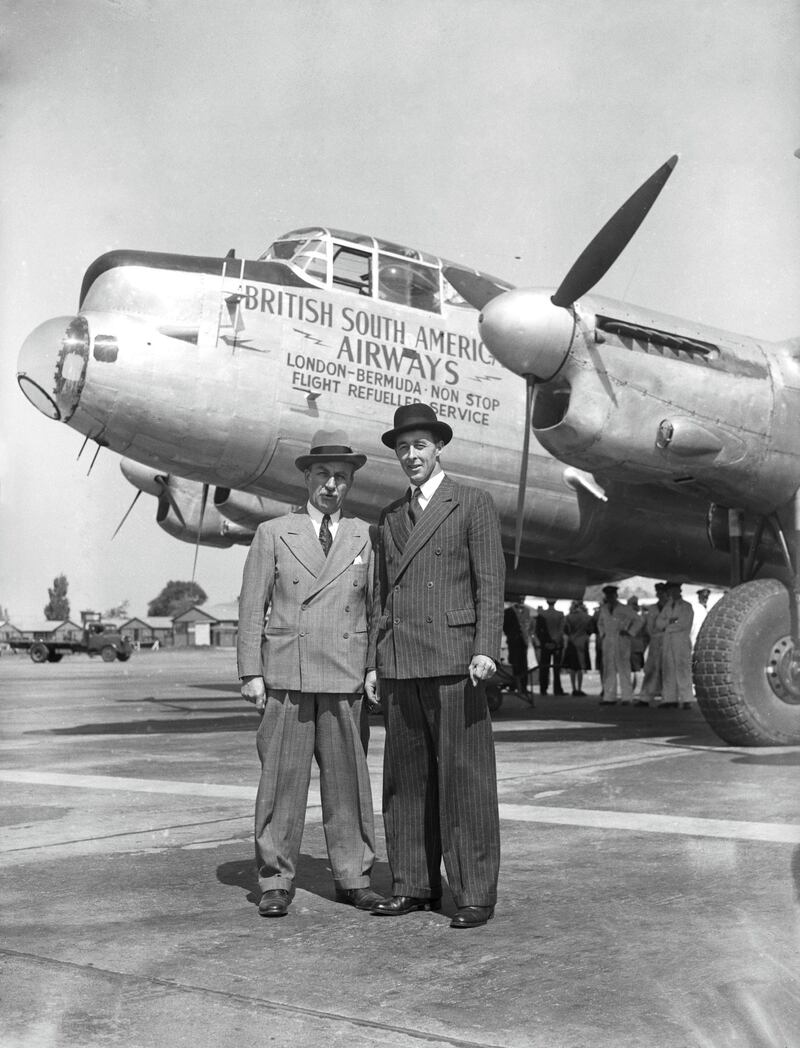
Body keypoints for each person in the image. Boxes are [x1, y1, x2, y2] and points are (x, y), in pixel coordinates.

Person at [365, 403, 505, 929]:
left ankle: (473, 892)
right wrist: (376, 662)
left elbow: (490, 583)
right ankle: (413, 885)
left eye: (419, 446)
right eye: (402, 448)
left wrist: (486, 646)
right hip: (401, 662)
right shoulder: (390, 516)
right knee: (406, 781)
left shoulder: (471, 503)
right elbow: (382, 595)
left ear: (438, 447)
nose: (410, 456)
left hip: (455, 661)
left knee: (465, 781)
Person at [237, 433, 380, 918]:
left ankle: (354, 876)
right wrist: (250, 672)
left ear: (350, 482)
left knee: (349, 786)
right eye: (323, 475)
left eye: (341, 477)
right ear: (307, 478)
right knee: (281, 784)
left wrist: (374, 665)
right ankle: (275, 879)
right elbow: (251, 607)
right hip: (288, 677)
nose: (332, 485)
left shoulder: (364, 535)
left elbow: (375, 609)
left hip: (344, 676)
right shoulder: (274, 533)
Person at [596, 585, 642, 705]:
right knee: (608, 669)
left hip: (621, 639)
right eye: (608, 596)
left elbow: (639, 620)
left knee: (624, 669)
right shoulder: (604, 609)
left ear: (616, 595)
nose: (610, 597)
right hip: (609, 640)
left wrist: (630, 631)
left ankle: (627, 697)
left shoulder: (624, 608)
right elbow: (600, 623)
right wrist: (603, 634)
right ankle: (609, 697)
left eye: (612, 595)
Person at [657, 581, 694, 709]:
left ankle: (686, 699)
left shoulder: (686, 606)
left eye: (674, 590)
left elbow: (683, 623)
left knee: (682, 669)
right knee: (668, 669)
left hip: (681, 641)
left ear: (679, 591)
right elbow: (658, 623)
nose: (672, 593)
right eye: (670, 590)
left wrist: (667, 626)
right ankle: (669, 699)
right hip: (668, 640)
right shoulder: (668, 606)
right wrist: (670, 621)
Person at [639, 582, 667, 707]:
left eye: (662, 593)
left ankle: (668, 698)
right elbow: (649, 626)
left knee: (667, 670)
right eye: (658, 593)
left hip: (667, 640)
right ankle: (645, 696)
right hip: (655, 640)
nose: (660, 595)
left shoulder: (670, 607)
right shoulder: (653, 608)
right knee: (650, 669)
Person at [503, 595, 533, 697]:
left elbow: (528, 625)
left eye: (523, 598)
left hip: (523, 641)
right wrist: (511, 635)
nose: (522, 600)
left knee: (524, 664)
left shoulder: (527, 611)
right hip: (513, 641)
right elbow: (505, 626)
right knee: (514, 662)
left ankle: (523, 687)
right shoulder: (508, 611)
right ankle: (515, 685)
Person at [563, 600, 593, 696]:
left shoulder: (568, 617)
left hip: (572, 642)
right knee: (581, 666)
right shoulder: (587, 617)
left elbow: (566, 630)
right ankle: (579, 688)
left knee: (572, 667)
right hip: (583, 642)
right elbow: (590, 630)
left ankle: (573, 688)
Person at [535, 599, 565, 695]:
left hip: (545, 644)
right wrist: (555, 641)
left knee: (544, 667)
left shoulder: (542, 614)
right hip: (557, 644)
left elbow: (538, 631)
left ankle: (543, 688)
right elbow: (561, 630)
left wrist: (546, 642)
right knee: (556, 668)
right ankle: (557, 689)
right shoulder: (560, 614)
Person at [627, 596, 647, 695]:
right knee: (637, 669)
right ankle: (634, 689)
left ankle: (633, 689)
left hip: (631, 646)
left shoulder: (632, 618)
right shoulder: (641, 618)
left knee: (633, 670)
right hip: (639, 646)